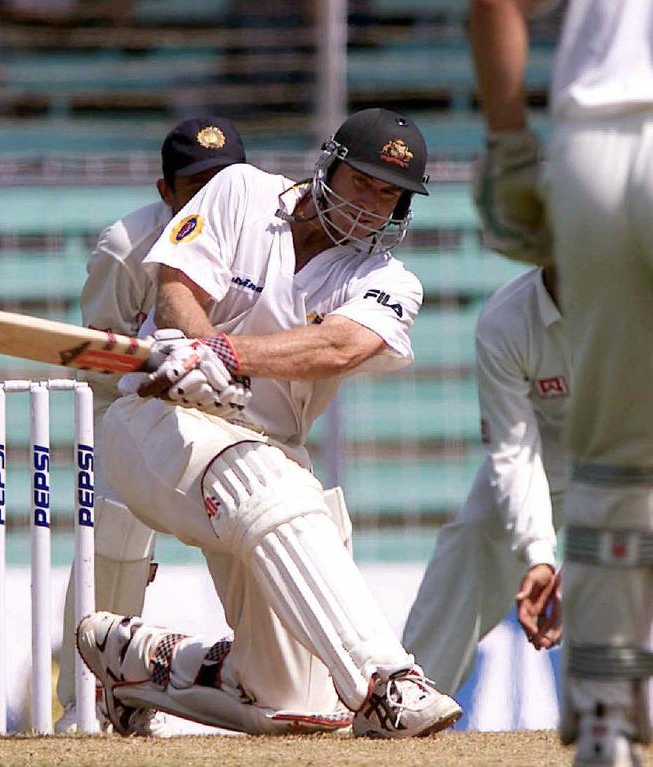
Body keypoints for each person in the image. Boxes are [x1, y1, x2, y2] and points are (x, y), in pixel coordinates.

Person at [75, 108, 463, 738]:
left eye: (388, 194)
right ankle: (388, 681)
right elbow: (177, 286)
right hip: (154, 422)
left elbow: (340, 348)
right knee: (266, 477)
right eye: (362, 181)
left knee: (295, 705)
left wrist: (228, 360)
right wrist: (198, 351)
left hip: (267, 454)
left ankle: (143, 667)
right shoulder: (241, 190)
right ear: (328, 165)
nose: (371, 205)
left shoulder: (389, 281)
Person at [470, 0, 653, 764]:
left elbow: (494, 7)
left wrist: (512, 145)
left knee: (611, 447)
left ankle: (605, 707)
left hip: (597, 141)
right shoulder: (504, 326)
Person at [55, 117, 249, 734]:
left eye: (225, 182)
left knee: (273, 525)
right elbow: (100, 361)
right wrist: (156, 369)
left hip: (236, 410)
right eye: (195, 186)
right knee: (114, 535)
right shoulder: (126, 245)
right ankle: (88, 705)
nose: (212, 197)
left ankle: (291, 685)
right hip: (136, 406)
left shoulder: (266, 233)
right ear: (165, 192)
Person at [402, 263, 567, 694]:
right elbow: (514, 449)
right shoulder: (507, 320)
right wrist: (539, 556)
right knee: (474, 536)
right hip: (558, 447)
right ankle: (411, 699)